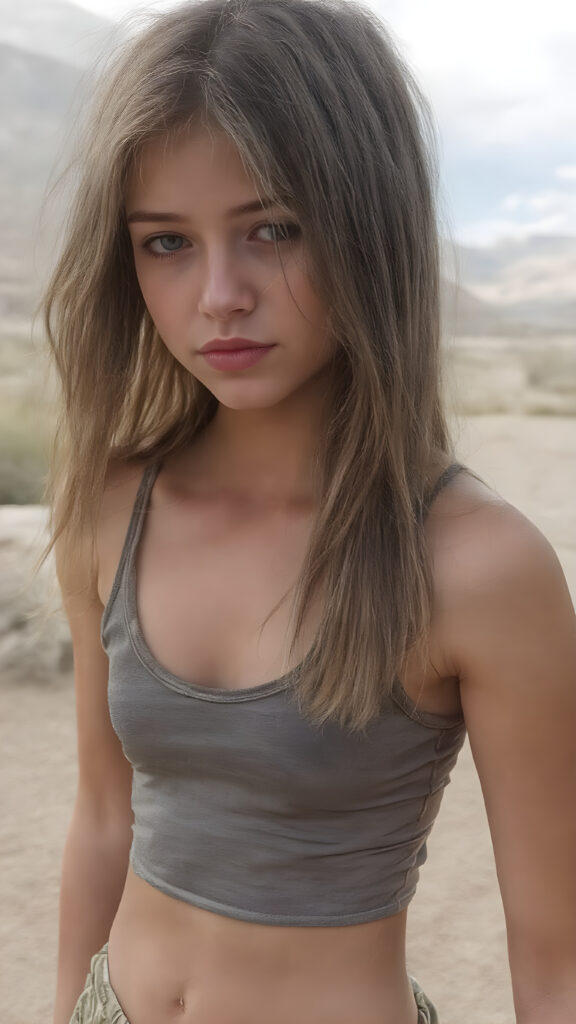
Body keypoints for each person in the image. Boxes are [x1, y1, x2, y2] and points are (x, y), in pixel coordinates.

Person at [44, 1, 576, 1022]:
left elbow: (554, 969)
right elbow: (106, 818)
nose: (219, 294)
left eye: (272, 230)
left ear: (367, 229)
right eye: (166, 243)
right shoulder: (113, 504)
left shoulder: (478, 566)